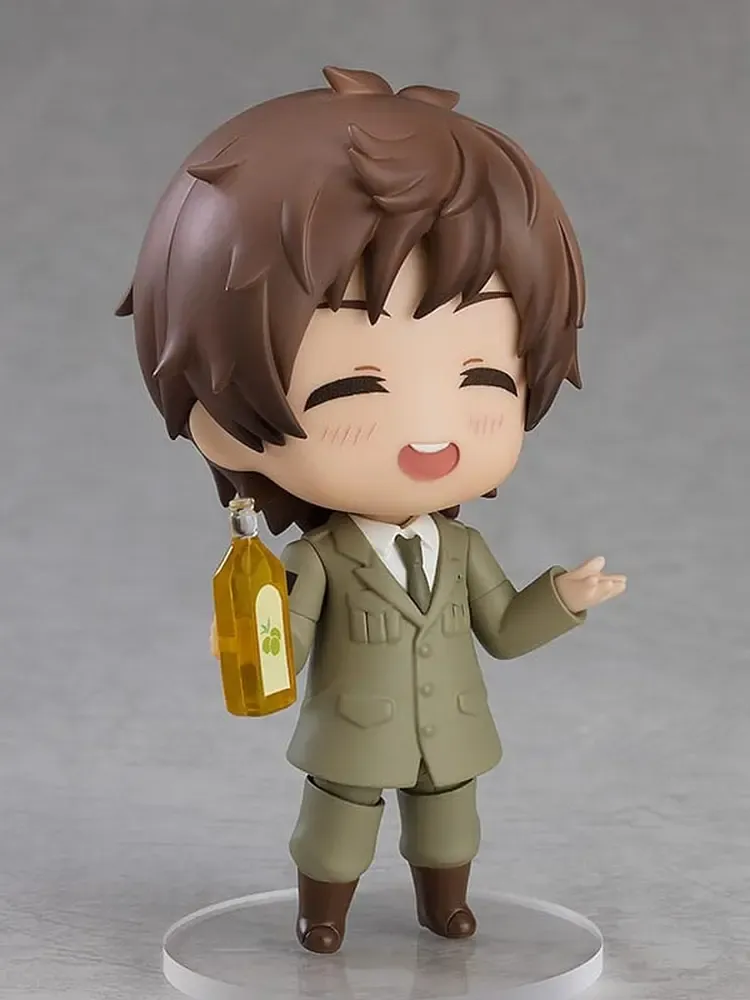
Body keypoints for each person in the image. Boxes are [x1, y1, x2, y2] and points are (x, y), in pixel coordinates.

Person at [117, 65, 626, 954]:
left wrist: (563, 599)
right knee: (337, 825)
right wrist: (250, 634)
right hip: (351, 738)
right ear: (221, 418)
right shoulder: (318, 560)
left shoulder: (462, 552)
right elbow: (284, 646)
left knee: (450, 821)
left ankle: (445, 903)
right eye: (354, 387)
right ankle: (323, 911)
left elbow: (504, 631)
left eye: (482, 375)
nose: (429, 430)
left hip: (452, 733)